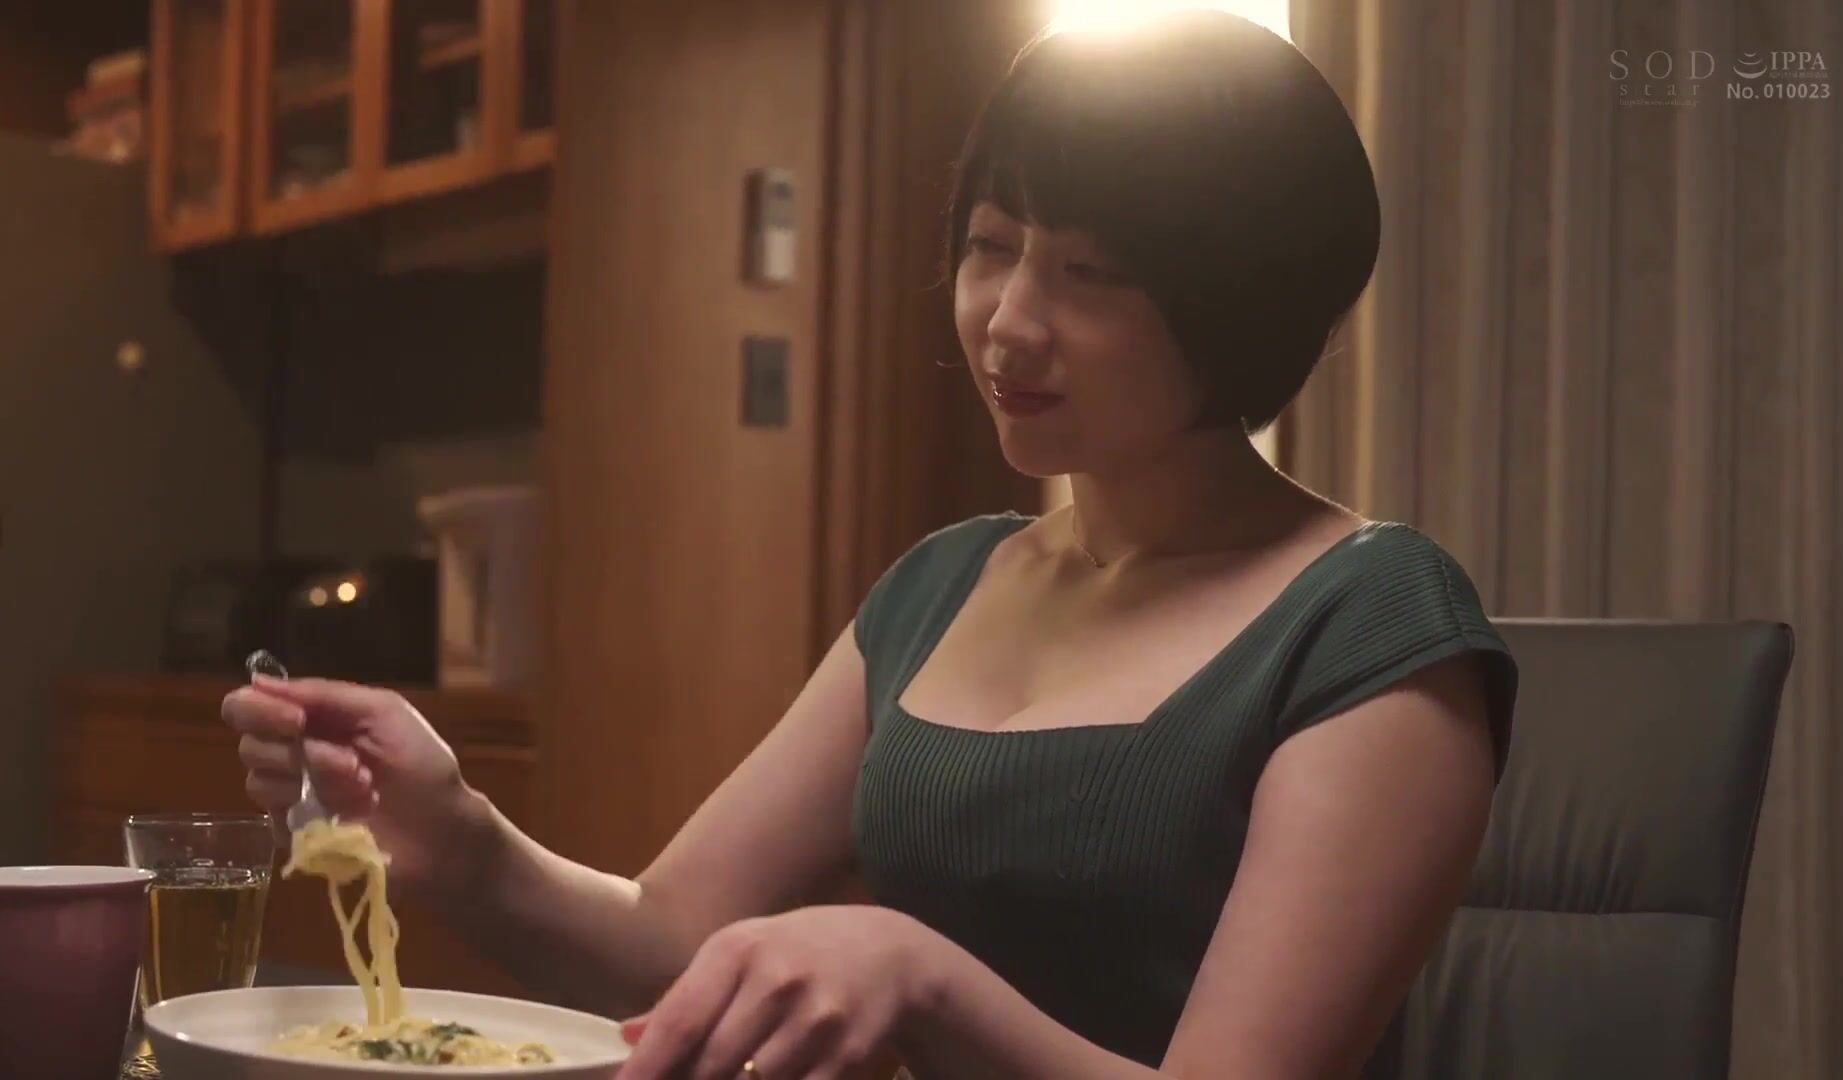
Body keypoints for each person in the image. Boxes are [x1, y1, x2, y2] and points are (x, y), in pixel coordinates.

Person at [225, 12, 1517, 1080]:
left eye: (1089, 275)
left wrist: (920, 979)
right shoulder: (942, 586)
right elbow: (671, 940)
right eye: (991, 248)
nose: (1007, 323)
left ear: (1239, 303)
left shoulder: (1369, 621)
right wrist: (462, 840)